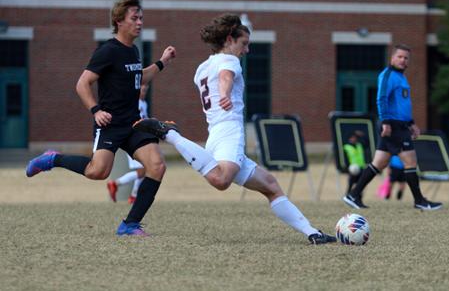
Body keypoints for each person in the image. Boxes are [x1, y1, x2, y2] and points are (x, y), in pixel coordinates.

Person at [133, 14, 336, 245]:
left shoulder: (202, 67)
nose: (247, 50)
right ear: (229, 39)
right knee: (221, 180)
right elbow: (225, 77)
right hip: (229, 131)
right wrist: (226, 94)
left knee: (270, 185)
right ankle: (169, 133)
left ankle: (312, 233)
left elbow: (219, 77)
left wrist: (224, 91)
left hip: (216, 134)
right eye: (244, 44)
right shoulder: (229, 61)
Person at [25, 0, 177, 236]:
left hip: (134, 124)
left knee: (157, 166)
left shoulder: (133, 51)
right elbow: (82, 84)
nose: (140, 22)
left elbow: (139, 77)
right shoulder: (107, 51)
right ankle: (52, 159)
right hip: (111, 124)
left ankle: (129, 225)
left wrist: (162, 62)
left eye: (141, 18)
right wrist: (96, 111)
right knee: (98, 172)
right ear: (119, 21)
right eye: (134, 18)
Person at [343, 44, 443, 210]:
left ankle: (353, 195)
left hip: (401, 124)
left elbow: (402, 105)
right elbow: (381, 99)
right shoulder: (388, 75)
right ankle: (419, 201)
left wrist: (411, 123)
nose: (403, 60)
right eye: (400, 57)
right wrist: (386, 122)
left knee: (379, 162)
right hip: (393, 125)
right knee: (410, 161)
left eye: (406, 58)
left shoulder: (401, 77)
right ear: (392, 58)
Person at [107, 84, 150, 204]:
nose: (144, 92)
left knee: (144, 170)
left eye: (146, 90)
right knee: (143, 170)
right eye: (142, 89)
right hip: (133, 139)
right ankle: (116, 184)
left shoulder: (144, 103)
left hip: (140, 139)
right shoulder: (134, 102)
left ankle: (132, 196)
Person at [343, 130, 367, 196]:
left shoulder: (359, 145)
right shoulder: (346, 147)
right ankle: (348, 195)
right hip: (353, 168)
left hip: (361, 167)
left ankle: (358, 197)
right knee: (351, 183)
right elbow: (345, 159)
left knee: (360, 184)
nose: (353, 139)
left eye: (355, 137)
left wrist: (362, 135)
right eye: (352, 138)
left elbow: (367, 142)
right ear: (349, 139)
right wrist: (348, 168)